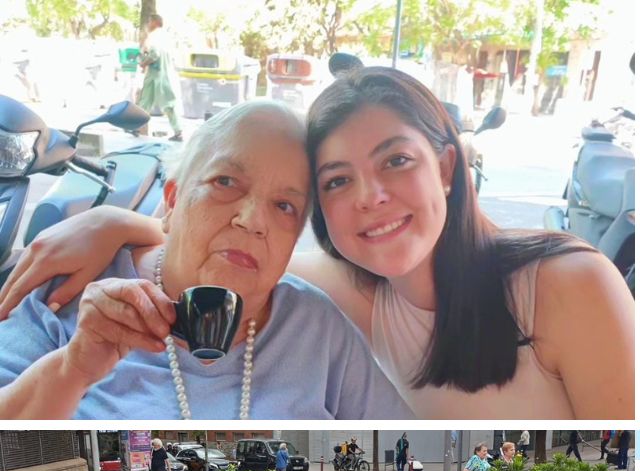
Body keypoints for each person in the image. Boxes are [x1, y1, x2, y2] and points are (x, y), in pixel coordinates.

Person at [0, 69, 634, 418]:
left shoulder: (567, 284)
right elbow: (213, 252)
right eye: (338, 181)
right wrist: (109, 225)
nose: (370, 198)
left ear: (445, 167)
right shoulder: (75, 297)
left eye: (395, 161)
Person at [0, 99, 411, 419]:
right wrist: (71, 369)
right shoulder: (71, 290)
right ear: (174, 200)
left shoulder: (316, 328)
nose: (252, 221)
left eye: (284, 206)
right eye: (225, 182)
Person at [135, 14, 182, 142]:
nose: (148, 24)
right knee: (146, 102)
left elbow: (154, 54)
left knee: (162, 103)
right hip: (162, 74)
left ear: (155, 22)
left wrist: (144, 62)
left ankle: (178, 131)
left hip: (158, 74)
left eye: (149, 21)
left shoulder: (154, 36)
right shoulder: (167, 37)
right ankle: (137, 127)